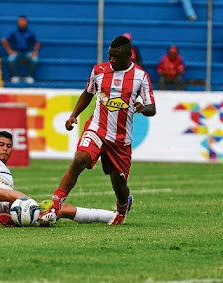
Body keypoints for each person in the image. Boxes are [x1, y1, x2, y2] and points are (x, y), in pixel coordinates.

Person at [40, 36, 156, 225]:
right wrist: (73, 115)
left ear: (129, 55)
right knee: (80, 159)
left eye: (116, 56)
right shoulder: (98, 71)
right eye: (109, 55)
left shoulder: (140, 77)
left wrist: (143, 108)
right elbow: (88, 93)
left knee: (119, 184)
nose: (111, 60)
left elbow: (152, 108)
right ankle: (55, 202)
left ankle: (122, 208)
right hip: (97, 129)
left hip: (120, 139)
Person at [0, 131, 122, 224]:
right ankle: (38, 212)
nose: (5, 149)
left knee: (61, 209)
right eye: (1, 145)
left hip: (9, 205)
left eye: (9, 146)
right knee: (47, 208)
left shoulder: (4, 169)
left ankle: (111, 216)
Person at [1, 15, 41, 84]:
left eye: (23, 21)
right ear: (17, 22)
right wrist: (9, 50)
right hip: (16, 52)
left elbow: (38, 42)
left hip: (27, 52)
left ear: (27, 23)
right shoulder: (13, 31)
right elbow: (4, 40)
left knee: (35, 59)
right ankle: (15, 76)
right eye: (20, 21)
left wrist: (35, 52)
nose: (22, 23)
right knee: (10, 59)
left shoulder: (30, 32)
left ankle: (28, 76)